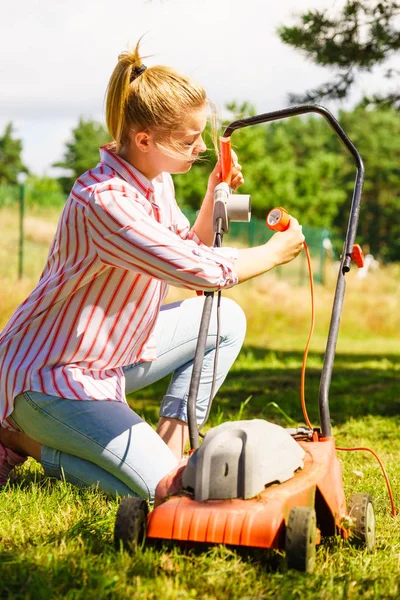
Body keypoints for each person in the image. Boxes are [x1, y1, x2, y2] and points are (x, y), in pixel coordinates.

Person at [0, 42, 304, 502]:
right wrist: (274, 252)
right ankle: (25, 441)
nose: (201, 148)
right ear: (144, 140)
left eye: (201, 136)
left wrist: (212, 192)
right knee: (164, 495)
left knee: (227, 321)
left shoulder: (155, 181)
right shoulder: (105, 201)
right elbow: (199, 271)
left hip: (108, 358)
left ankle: (171, 441)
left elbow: (188, 248)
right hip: (52, 376)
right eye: (188, 140)